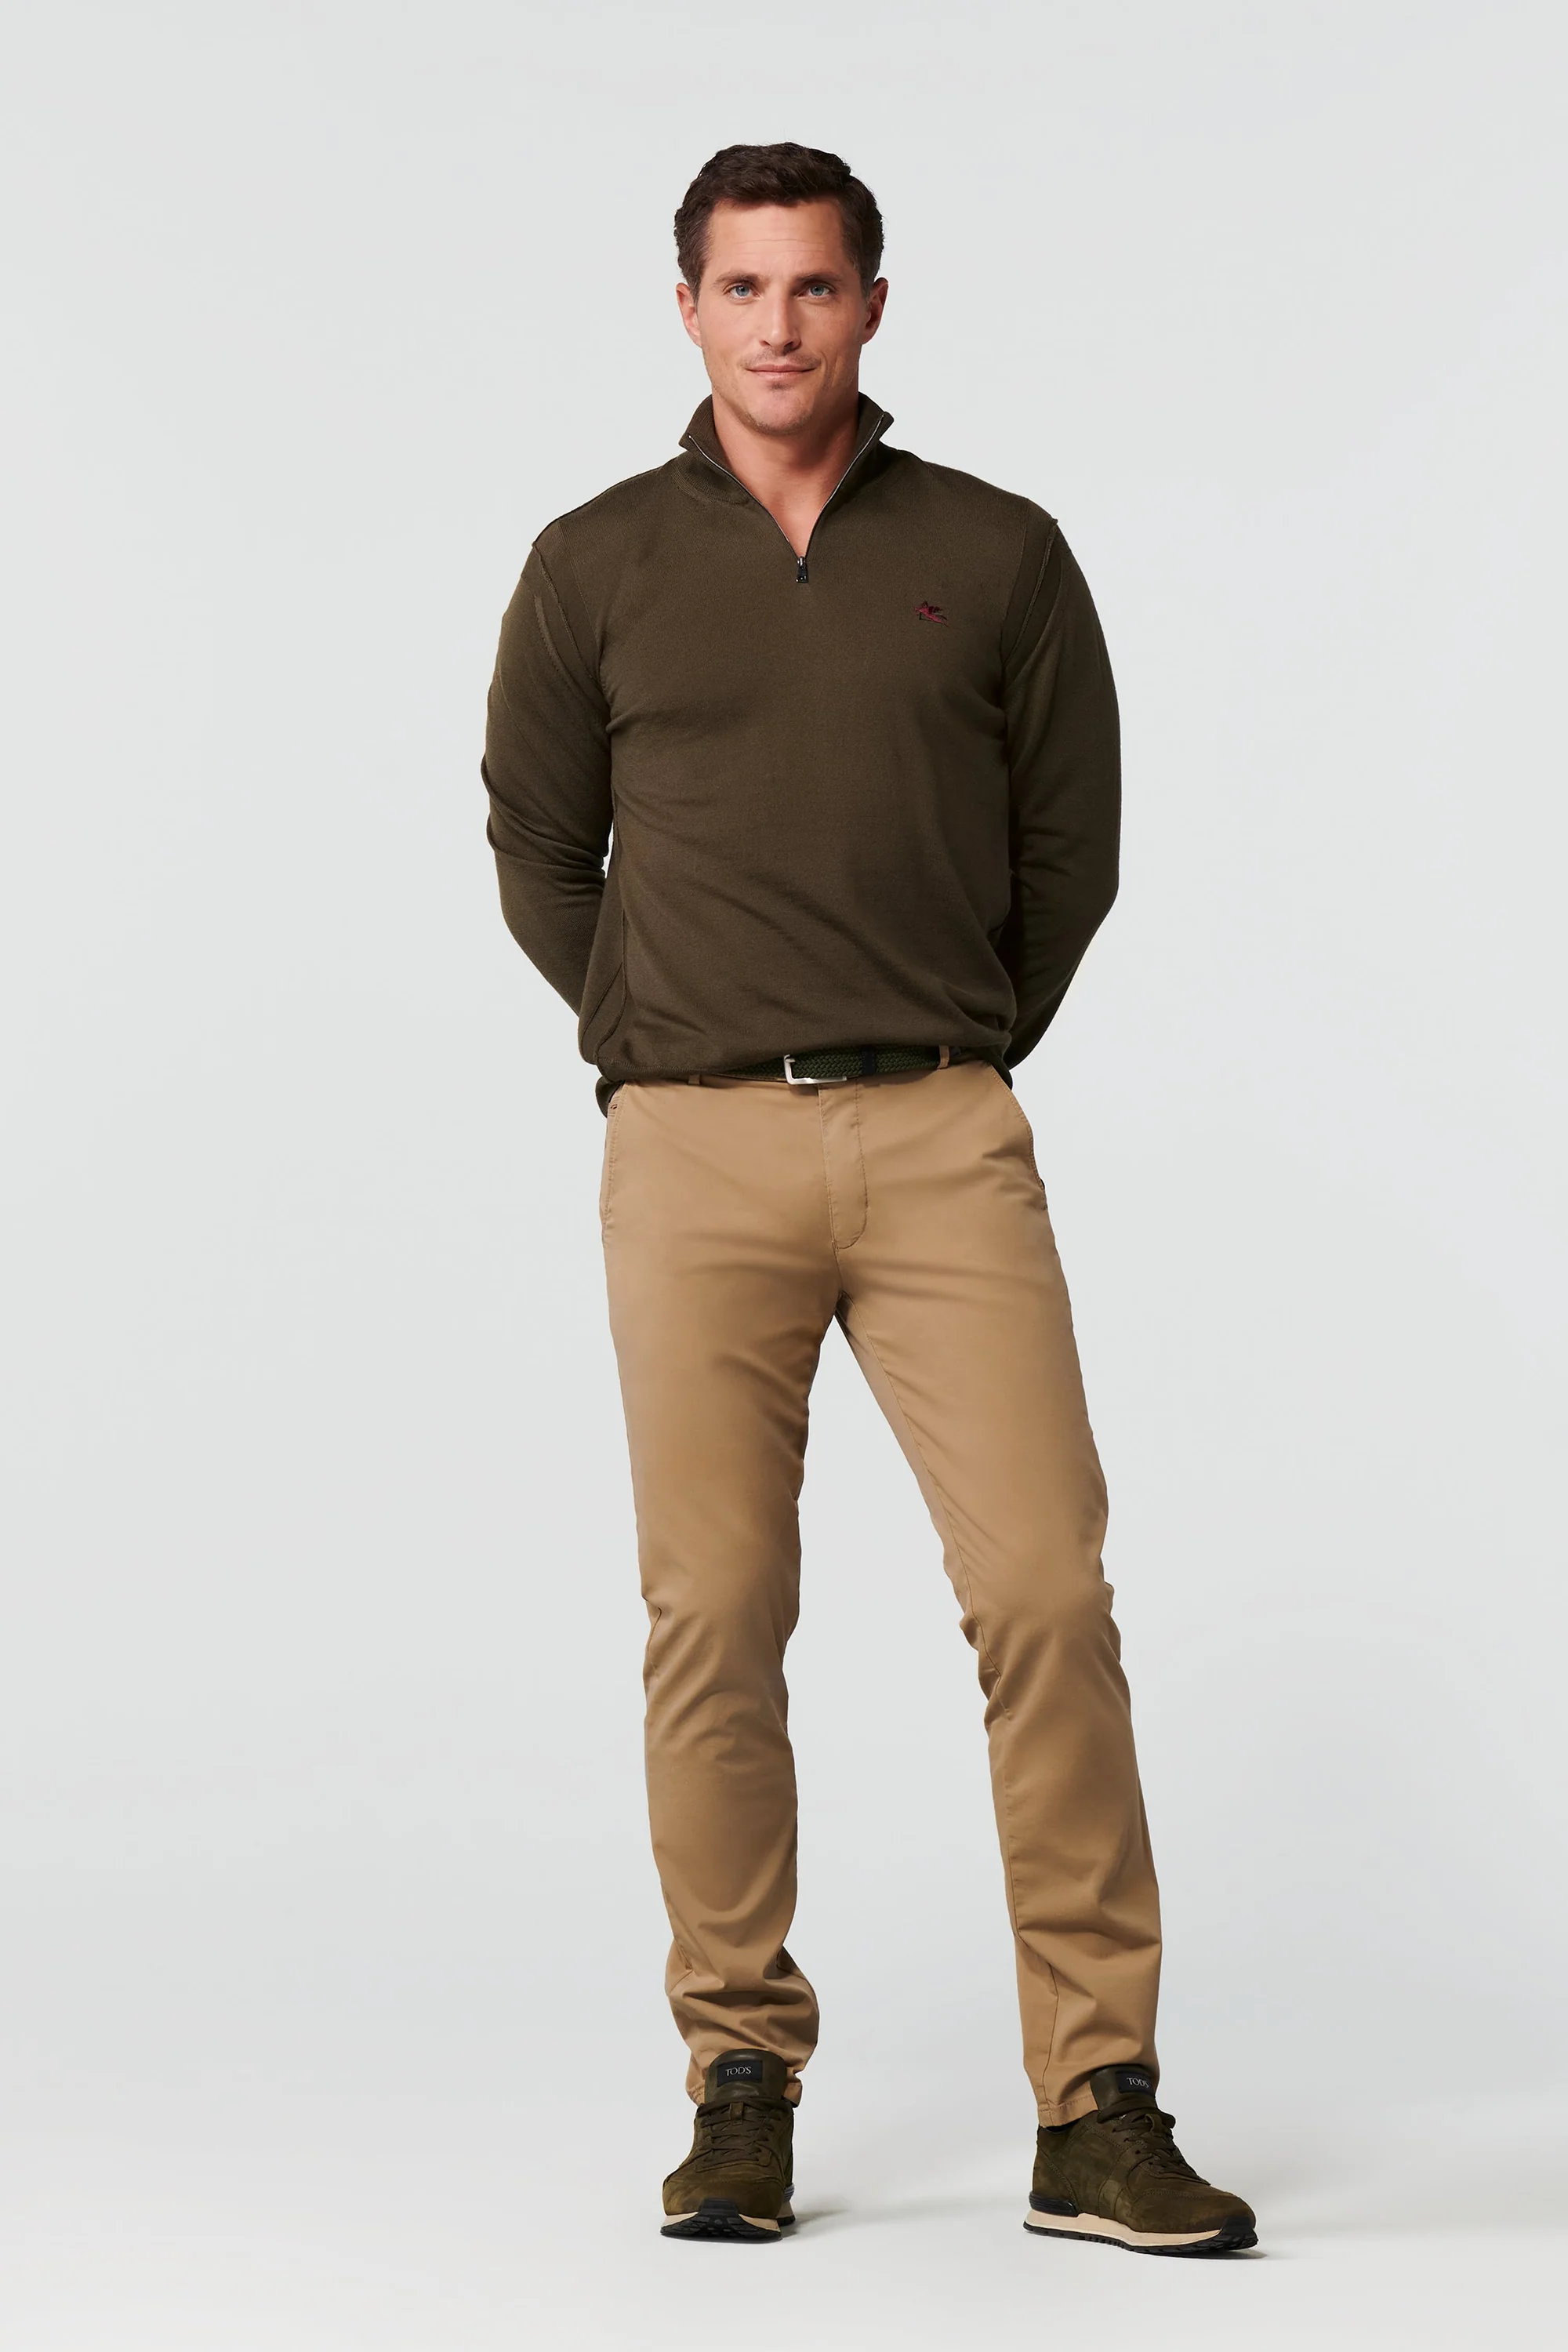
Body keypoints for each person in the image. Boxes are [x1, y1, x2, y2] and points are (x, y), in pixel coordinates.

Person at [481, 141, 1256, 2257]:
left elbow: (1070, 848)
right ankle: (739, 2079)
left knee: (1047, 1595)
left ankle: (1097, 2101)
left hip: (938, 1136)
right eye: (742, 288)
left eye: (815, 286)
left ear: (874, 306)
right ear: (688, 309)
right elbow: (539, 847)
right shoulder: (594, 564)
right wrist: (667, 1019)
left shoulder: (996, 553)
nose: (779, 325)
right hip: (691, 1147)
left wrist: (952, 1029)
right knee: (715, 1614)